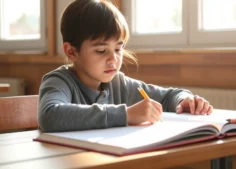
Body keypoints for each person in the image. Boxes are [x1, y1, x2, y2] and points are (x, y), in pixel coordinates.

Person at [38, 0, 213, 132]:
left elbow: (168, 97)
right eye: (101, 51)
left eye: (118, 49)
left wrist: (184, 100)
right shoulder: (59, 81)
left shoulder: (118, 83)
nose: (113, 60)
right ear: (71, 52)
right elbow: (50, 116)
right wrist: (126, 115)